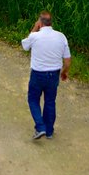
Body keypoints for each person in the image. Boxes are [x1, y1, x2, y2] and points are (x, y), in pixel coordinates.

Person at [21, 10, 71, 140]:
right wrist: (64, 72)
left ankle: (40, 126)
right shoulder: (61, 36)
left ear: (40, 22)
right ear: (51, 22)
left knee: (33, 99)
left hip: (38, 74)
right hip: (54, 74)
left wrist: (34, 28)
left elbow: (25, 46)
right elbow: (67, 60)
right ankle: (49, 131)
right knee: (50, 101)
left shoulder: (35, 36)